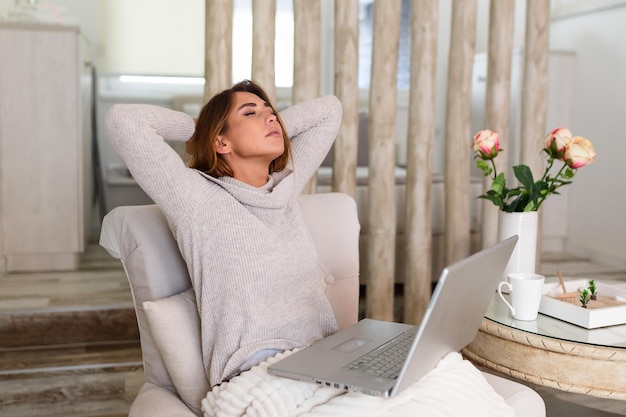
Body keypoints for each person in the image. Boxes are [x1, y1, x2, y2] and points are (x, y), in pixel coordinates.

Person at [106, 80, 343, 387]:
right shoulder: (195, 198)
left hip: (324, 357)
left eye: (271, 112)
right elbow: (122, 120)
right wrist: (203, 128)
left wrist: (259, 122)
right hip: (257, 369)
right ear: (220, 142)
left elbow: (330, 111)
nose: (271, 117)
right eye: (250, 113)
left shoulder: (285, 188)